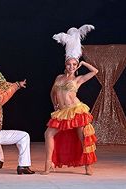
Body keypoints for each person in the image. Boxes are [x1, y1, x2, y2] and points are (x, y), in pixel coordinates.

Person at [43, 24, 98, 175]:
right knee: (48, 134)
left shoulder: (78, 79)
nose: (71, 66)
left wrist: (83, 62)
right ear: (65, 64)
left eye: (74, 64)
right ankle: (48, 165)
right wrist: (55, 103)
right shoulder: (59, 78)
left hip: (76, 110)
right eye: (69, 64)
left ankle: (88, 165)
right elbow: (52, 92)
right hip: (62, 112)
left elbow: (95, 71)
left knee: (82, 137)